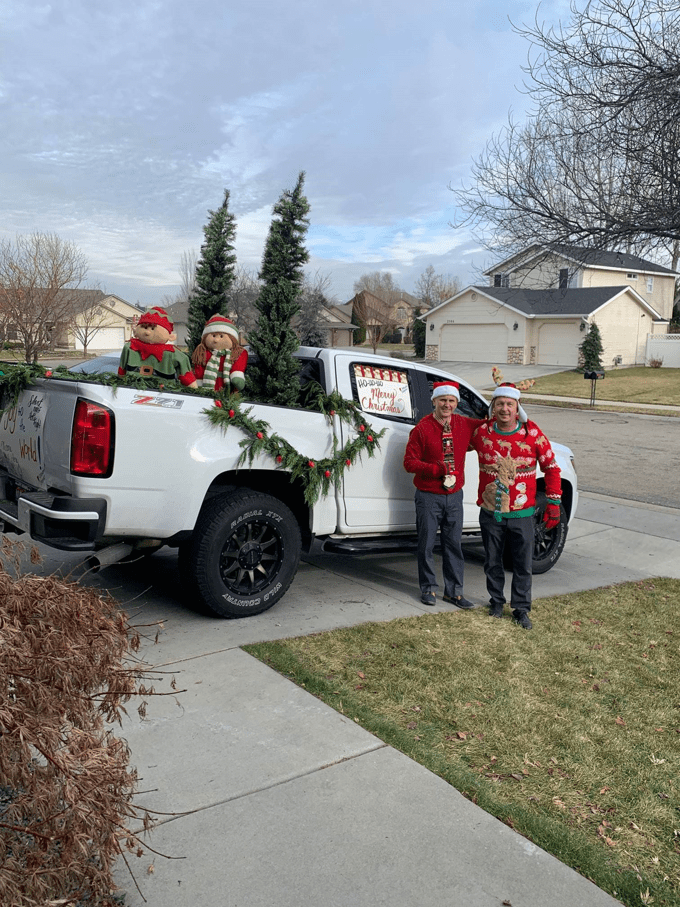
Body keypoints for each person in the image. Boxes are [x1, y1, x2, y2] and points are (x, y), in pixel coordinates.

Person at [469, 383, 562, 629]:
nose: (504, 409)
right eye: (500, 404)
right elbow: (457, 445)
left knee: (522, 563)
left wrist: (553, 502)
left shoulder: (532, 435)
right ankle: (496, 602)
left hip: (522, 514)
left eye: (509, 404)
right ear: (493, 407)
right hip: (491, 512)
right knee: (492, 560)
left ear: (517, 407)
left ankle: (520, 608)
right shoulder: (481, 433)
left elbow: (552, 468)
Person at [403, 381, 484, 608]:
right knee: (427, 544)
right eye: (443, 400)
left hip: (455, 496)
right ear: (434, 402)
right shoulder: (422, 428)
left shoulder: (465, 424)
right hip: (429, 496)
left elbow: (494, 421)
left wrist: (517, 408)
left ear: (457, 403)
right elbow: (409, 463)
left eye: (451, 401)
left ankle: (454, 592)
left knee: (454, 545)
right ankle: (428, 588)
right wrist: (436, 469)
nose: (447, 405)